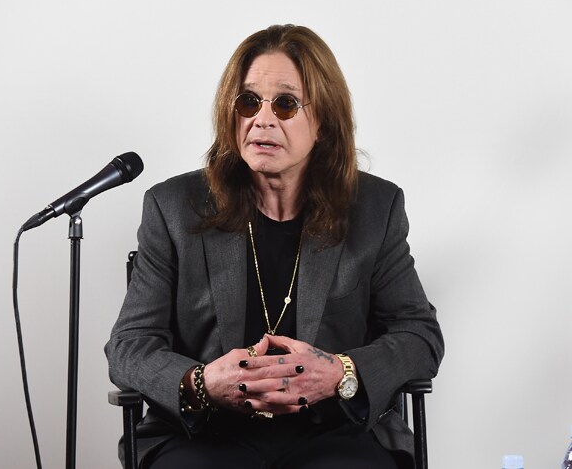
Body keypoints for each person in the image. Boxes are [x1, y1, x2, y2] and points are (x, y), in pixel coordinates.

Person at [105, 24, 444, 469]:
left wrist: (341, 372)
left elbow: (419, 335)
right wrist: (202, 381)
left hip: (332, 432)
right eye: (249, 102)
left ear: (323, 123)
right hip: (207, 436)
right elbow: (129, 346)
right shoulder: (173, 207)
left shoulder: (375, 208)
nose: (262, 120)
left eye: (285, 104)